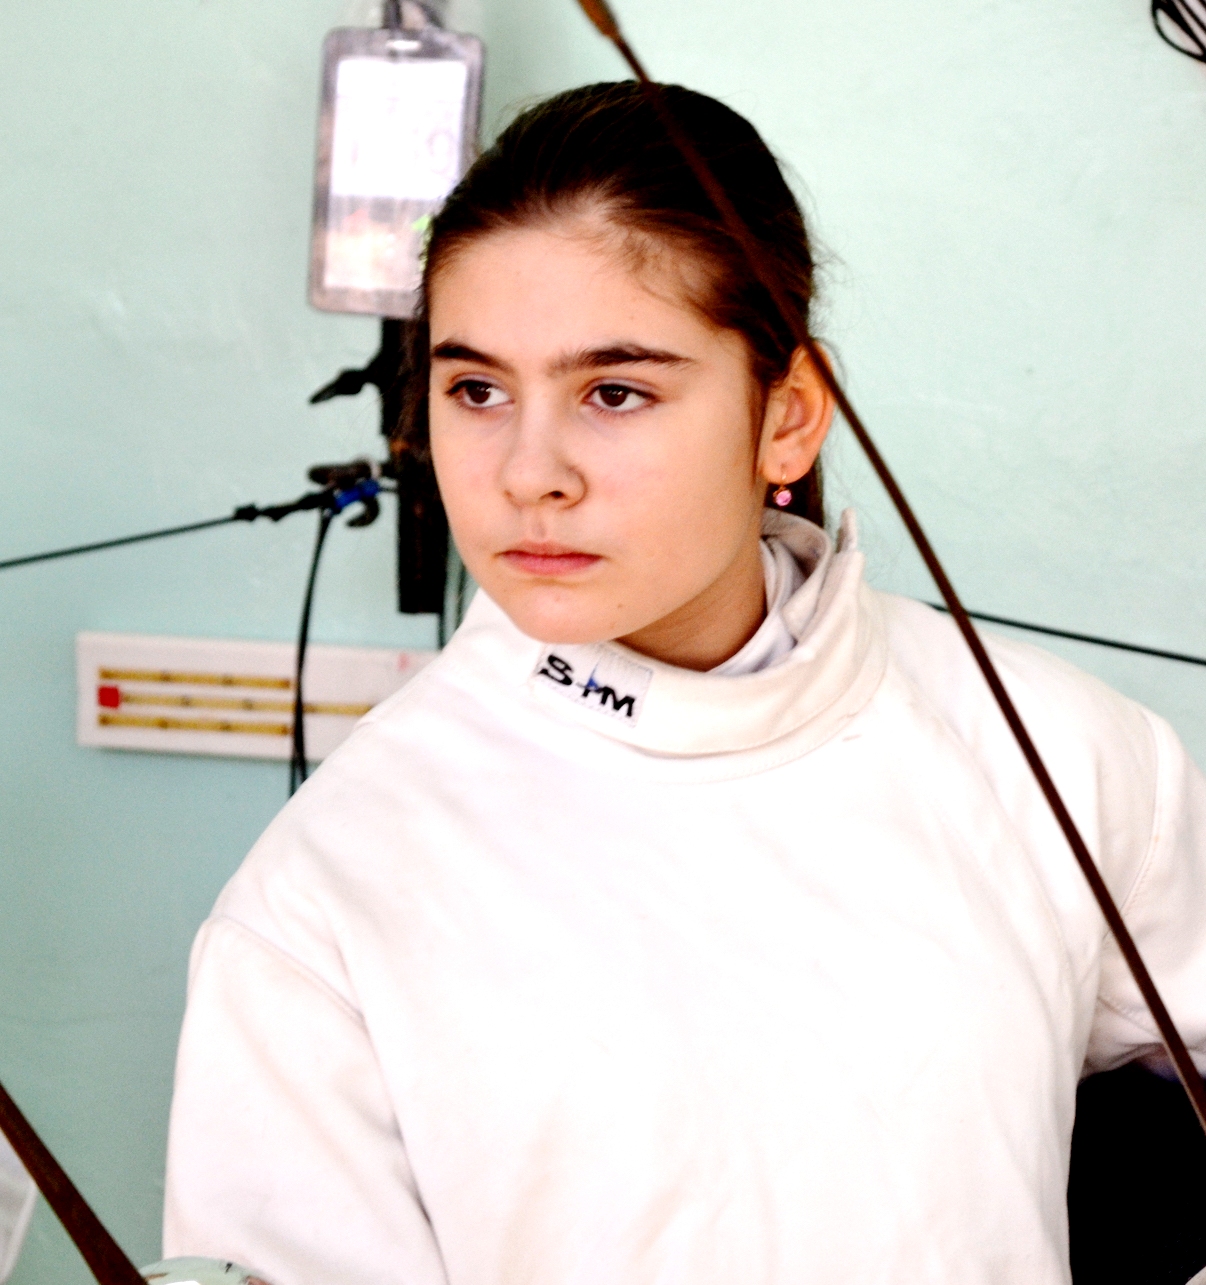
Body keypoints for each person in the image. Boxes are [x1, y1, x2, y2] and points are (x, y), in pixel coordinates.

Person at [162, 81, 1206, 1285]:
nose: (529, 472)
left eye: (615, 392)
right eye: (477, 390)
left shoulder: (1064, 754)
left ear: (788, 417)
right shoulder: (321, 903)